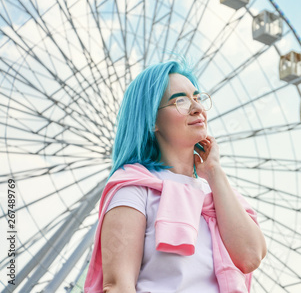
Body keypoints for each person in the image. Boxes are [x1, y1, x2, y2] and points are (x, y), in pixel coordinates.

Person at [84, 60, 267, 293]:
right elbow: (118, 286)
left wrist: (213, 171)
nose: (197, 107)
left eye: (197, 97)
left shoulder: (219, 194)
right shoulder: (135, 189)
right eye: (180, 100)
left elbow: (250, 257)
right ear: (151, 121)